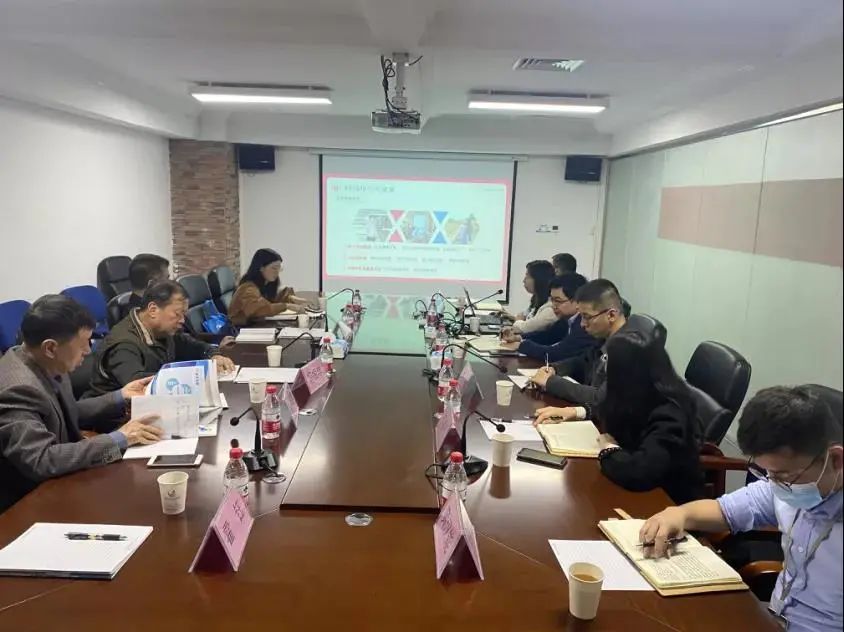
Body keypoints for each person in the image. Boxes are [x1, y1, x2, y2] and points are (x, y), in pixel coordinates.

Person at [641, 386, 842, 632]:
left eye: (784, 475)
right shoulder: (787, 488)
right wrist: (679, 515)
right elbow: (725, 511)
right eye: (767, 473)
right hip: (773, 619)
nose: (775, 483)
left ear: (836, 459)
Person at [0, 295, 163, 512]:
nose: (88, 351)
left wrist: (120, 396)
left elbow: (65, 412)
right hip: (29, 501)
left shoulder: (46, 359)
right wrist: (119, 438)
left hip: (62, 477)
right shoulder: (17, 388)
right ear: (50, 348)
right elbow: (41, 459)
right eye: (83, 343)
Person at [534, 328, 703, 503]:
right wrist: (574, 412)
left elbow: (640, 472)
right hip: (632, 490)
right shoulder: (641, 391)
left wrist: (608, 449)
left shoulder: (671, 415)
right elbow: (610, 407)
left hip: (666, 502)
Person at [86, 281, 235, 396]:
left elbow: (192, 345)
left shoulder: (163, 330)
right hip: (117, 417)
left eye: (184, 314)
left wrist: (213, 354)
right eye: (177, 314)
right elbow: (139, 385)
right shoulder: (124, 344)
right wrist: (191, 375)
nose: (182, 320)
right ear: (153, 310)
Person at [530, 278, 628, 407]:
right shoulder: (605, 338)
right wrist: (555, 369)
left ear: (611, 315)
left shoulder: (630, 348)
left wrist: (551, 382)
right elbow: (583, 362)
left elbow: (601, 398)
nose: (582, 324)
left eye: (587, 317)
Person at [502, 273, 599, 363]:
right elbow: (548, 335)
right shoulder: (567, 319)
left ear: (577, 301)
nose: (553, 306)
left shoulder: (585, 325)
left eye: (558, 301)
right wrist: (518, 338)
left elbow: (555, 354)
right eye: (552, 300)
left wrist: (521, 346)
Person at [228, 248, 312, 326]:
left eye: (279, 268)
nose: (277, 272)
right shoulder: (247, 288)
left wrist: (292, 299)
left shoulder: (266, 283)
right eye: (274, 268)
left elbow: (275, 298)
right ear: (261, 268)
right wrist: (287, 306)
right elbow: (260, 308)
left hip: (257, 325)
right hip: (242, 330)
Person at [500, 260, 557, 335]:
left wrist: (518, 320)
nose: (524, 280)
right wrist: (512, 317)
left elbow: (525, 328)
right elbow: (526, 317)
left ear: (539, 280)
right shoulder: (537, 299)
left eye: (527, 276)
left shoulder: (550, 308)